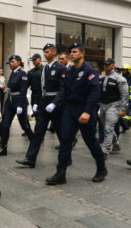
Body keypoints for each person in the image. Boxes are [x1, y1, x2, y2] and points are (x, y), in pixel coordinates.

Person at [45, 43, 106, 185]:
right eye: (70, 52)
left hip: (84, 110)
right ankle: (61, 173)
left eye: (74, 52)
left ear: (82, 54)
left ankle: (101, 167)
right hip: (69, 110)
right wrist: (55, 103)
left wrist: (87, 112)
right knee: (65, 140)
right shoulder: (70, 70)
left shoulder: (90, 71)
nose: (71, 54)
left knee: (90, 141)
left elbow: (95, 93)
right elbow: (64, 90)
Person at [16, 43, 66, 167]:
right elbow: (41, 88)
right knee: (38, 131)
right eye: (44, 52)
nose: (45, 54)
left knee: (60, 132)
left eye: (47, 52)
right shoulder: (44, 69)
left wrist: (54, 103)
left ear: (54, 52)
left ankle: (66, 157)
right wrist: (37, 103)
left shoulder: (61, 68)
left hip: (56, 103)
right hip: (44, 102)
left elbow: (63, 89)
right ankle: (30, 158)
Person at [0, 55, 33, 156]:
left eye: (13, 61)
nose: (10, 63)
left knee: (25, 126)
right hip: (10, 102)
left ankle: (34, 142)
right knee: (5, 125)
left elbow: (24, 90)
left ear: (19, 62)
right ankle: (3, 147)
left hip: (19, 102)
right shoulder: (12, 73)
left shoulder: (22, 73)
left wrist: (20, 105)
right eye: (10, 62)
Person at [97, 58, 128, 157]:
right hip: (102, 105)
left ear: (113, 65)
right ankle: (116, 144)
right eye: (104, 64)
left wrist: (123, 108)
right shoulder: (100, 77)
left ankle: (105, 151)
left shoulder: (120, 79)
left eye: (107, 64)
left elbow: (125, 94)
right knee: (107, 128)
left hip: (114, 105)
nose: (105, 66)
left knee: (108, 128)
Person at [28, 54, 44, 119]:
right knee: (36, 113)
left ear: (40, 59)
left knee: (41, 114)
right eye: (33, 60)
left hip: (42, 95)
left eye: (35, 59)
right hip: (34, 94)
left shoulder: (44, 70)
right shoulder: (31, 72)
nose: (33, 61)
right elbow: (27, 84)